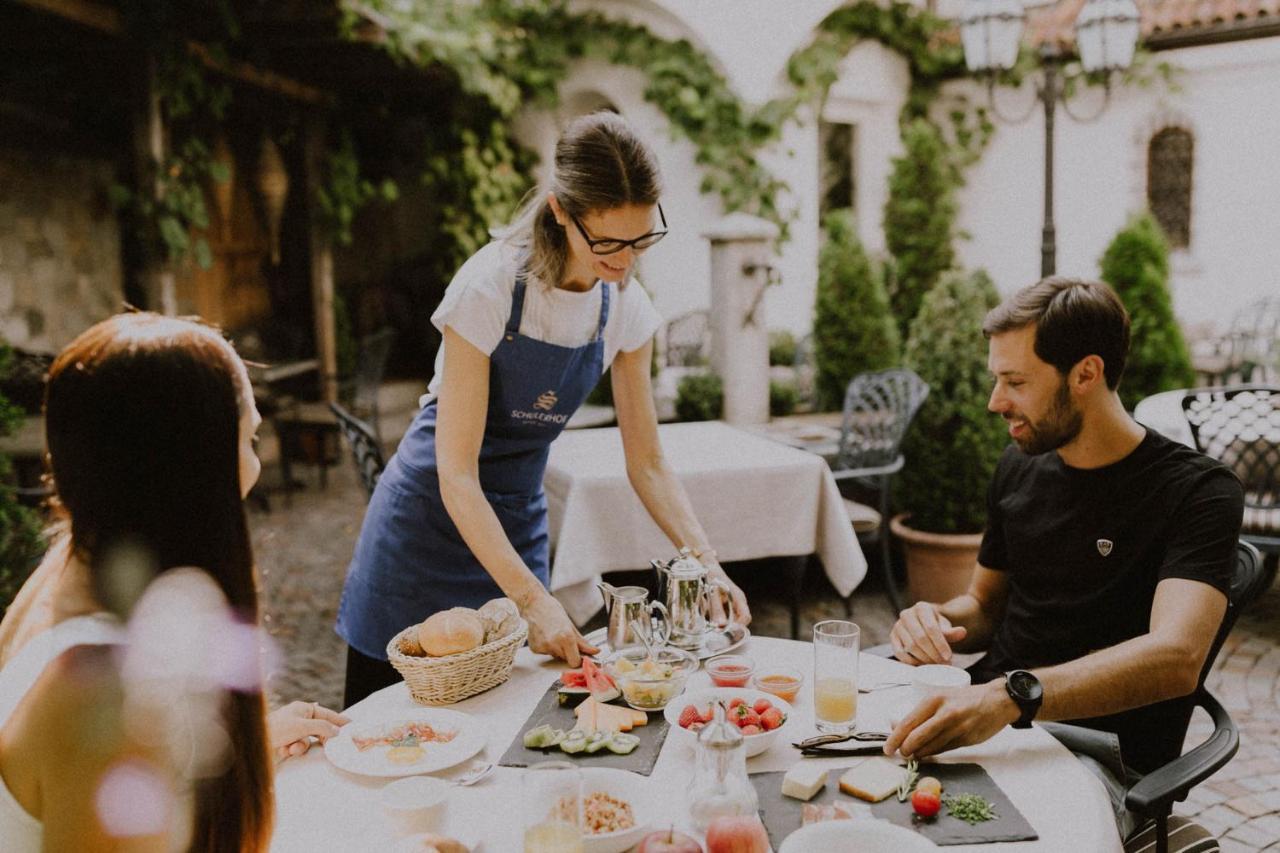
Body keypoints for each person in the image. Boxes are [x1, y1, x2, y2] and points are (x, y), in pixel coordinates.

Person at [336, 111, 751, 707]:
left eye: (640, 240)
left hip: (516, 530)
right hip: (427, 529)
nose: (624, 261)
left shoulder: (626, 306)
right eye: (606, 242)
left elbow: (649, 463)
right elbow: (456, 473)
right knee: (392, 731)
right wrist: (533, 602)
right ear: (560, 211)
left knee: (510, 732)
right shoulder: (489, 288)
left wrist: (705, 562)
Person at [883, 277, 1242, 837]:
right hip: (990, 725)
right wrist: (934, 620)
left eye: (1015, 382)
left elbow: (1176, 657)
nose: (994, 402)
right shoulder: (1020, 464)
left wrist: (1012, 696)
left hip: (1098, 759)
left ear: (1085, 374)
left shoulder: (1198, 491)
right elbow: (984, 606)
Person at [0, 313, 360, 852]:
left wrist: (247, 743)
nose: (255, 465)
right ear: (198, 470)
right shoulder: (103, 688)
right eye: (250, 439)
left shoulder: (64, 570)